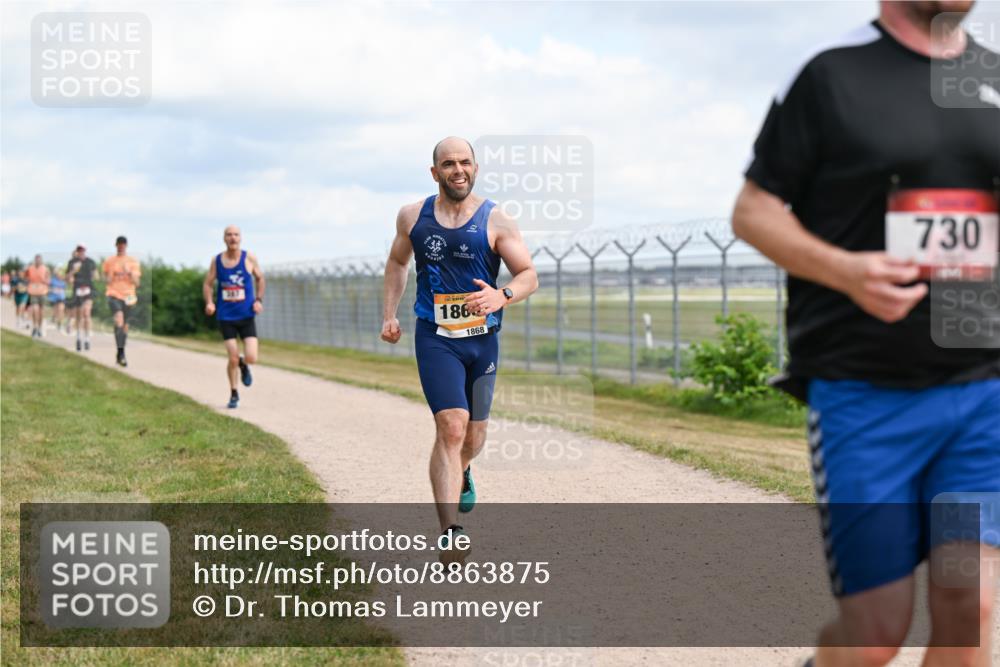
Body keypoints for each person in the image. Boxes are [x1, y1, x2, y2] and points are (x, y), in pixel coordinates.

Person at [731, 2, 999, 666]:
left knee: (970, 606)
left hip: (983, 393)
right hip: (864, 392)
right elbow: (753, 212)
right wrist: (846, 271)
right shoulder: (831, 73)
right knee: (876, 631)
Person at [381, 137, 538, 562]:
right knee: (451, 426)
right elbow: (397, 262)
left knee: (475, 436)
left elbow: (528, 274)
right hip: (435, 337)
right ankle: (450, 531)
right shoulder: (412, 216)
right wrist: (390, 314)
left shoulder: (496, 219)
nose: (458, 170)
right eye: (448, 164)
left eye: (465, 162)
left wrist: (502, 295)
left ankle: (463, 469)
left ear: (475, 168)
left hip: (482, 340)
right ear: (435, 172)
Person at [203, 225, 265, 409]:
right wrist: (209, 302)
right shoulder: (217, 261)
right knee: (233, 358)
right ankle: (234, 393)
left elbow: (260, 278)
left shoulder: (249, 258)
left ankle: (244, 365)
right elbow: (208, 284)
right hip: (226, 317)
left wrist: (258, 300)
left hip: (246, 315)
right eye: (229, 235)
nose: (233, 238)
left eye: (236, 235)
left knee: (252, 357)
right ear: (224, 238)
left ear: (240, 238)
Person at [102, 236, 141, 367]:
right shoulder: (109, 261)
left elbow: (137, 283)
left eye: (123, 244)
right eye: (119, 244)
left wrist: (129, 272)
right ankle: (121, 353)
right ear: (116, 245)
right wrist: (109, 276)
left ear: (126, 246)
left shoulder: (133, 262)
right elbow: (105, 280)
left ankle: (120, 352)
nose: (121, 247)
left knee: (125, 325)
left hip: (129, 296)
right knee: (119, 319)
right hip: (114, 293)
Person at [67, 245, 98, 351]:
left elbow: (96, 276)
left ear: (85, 251)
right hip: (77, 291)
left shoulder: (90, 262)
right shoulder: (72, 262)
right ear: (77, 251)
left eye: (82, 250)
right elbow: (68, 278)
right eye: (79, 250)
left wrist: (93, 275)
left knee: (86, 313)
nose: (81, 252)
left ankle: (87, 339)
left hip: (88, 290)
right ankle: (79, 337)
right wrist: (73, 271)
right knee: (79, 315)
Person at [25, 255, 50, 339]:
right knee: (35, 310)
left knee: (41, 312)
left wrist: (43, 280)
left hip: (43, 292)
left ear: (41, 260)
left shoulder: (45, 269)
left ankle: (39, 328)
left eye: (39, 259)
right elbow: (26, 277)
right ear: (34, 260)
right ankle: (35, 327)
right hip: (33, 292)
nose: (38, 261)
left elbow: (48, 281)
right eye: (36, 259)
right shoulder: (30, 268)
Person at [48, 268, 67, 333]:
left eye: (61, 274)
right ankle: (53, 318)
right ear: (56, 274)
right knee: (55, 310)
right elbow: (49, 288)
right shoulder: (53, 280)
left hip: (61, 298)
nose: (60, 275)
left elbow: (64, 289)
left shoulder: (64, 282)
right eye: (58, 274)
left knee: (61, 310)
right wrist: (52, 290)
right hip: (54, 298)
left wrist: (61, 291)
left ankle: (60, 323)